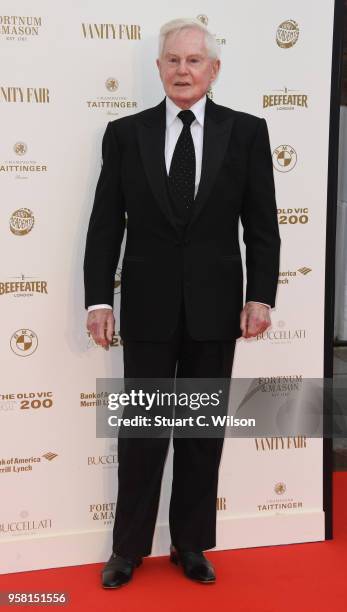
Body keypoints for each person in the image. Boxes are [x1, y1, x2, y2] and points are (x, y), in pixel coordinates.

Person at [84, 17, 280, 588]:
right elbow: (104, 226)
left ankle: (190, 543)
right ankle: (127, 550)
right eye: (173, 60)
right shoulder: (125, 133)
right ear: (159, 68)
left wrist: (260, 295)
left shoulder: (246, 132)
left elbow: (261, 226)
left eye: (194, 61)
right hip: (145, 307)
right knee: (142, 433)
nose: (183, 71)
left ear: (213, 70)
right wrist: (99, 300)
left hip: (217, 309)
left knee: (200, 434)